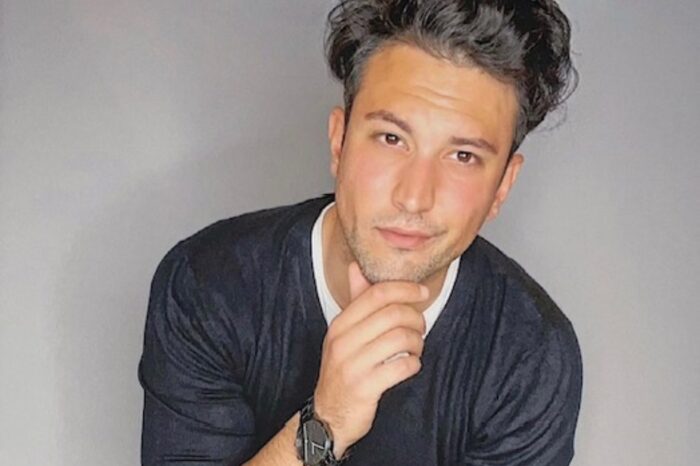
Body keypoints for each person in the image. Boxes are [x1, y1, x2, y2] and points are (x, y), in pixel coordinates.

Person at [138, 0, 583, 465]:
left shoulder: (530, 356)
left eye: (463, 156)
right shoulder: (210, 287)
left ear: (502, 186)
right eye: (392, 138)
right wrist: (327, 423)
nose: (414, 197)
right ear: (339, 142)